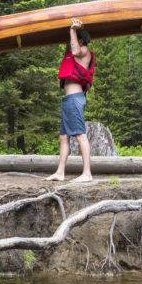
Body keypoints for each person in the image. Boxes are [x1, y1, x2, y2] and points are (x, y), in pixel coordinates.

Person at [46, 18, 95, 182]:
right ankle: (60, 172)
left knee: (80, 135)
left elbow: (74, 50)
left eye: (73, 38)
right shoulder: (72, 52)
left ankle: (87, 173)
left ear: (80, 39)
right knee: (64, 137)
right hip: (68, 100)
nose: (69, 43)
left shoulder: (84, 51)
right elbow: (71, 50)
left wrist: (73, 29)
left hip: (75, 99)